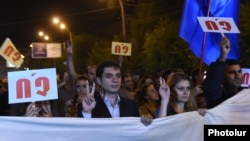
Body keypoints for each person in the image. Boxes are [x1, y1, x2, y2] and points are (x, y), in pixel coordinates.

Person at [79, 60, 152, 126]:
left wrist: (145, 124)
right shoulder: (88, 106)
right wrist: (87, 113)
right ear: (99, 80)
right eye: (109, 76)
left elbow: (136, 132)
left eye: (118, 76)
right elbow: (82, 133)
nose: (115, 80)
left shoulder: (131, 105)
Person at [203, 36, 243, 109]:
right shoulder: (218, 96)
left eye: (239, 71)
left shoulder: (245, 93)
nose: (237, 76)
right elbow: (212, 85)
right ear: (222, 75)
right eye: (232, 72)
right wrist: (222, 56)